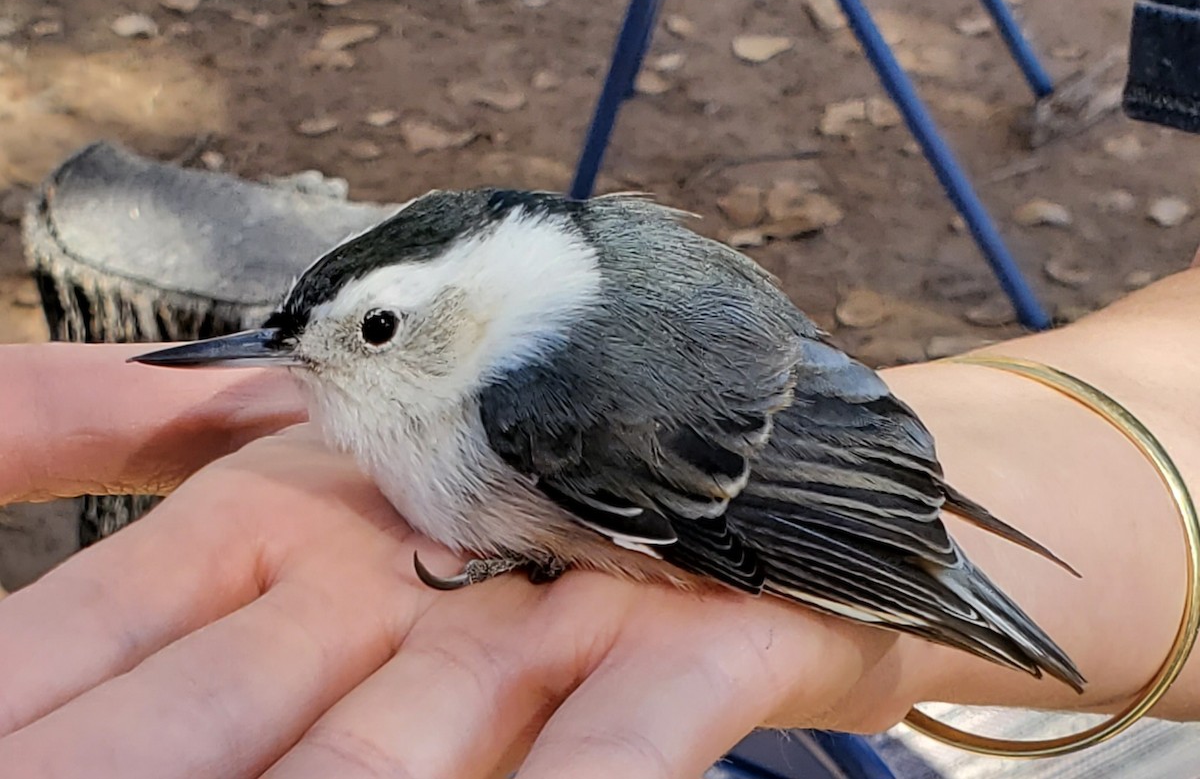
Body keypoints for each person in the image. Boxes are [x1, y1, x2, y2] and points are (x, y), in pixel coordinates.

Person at [1, 245, 1199, 778]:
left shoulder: (548, 410)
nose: (323, 370)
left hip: (826, 485)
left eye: (375, 332)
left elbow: (774, 497)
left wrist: (942, 587)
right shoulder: (491, 374)